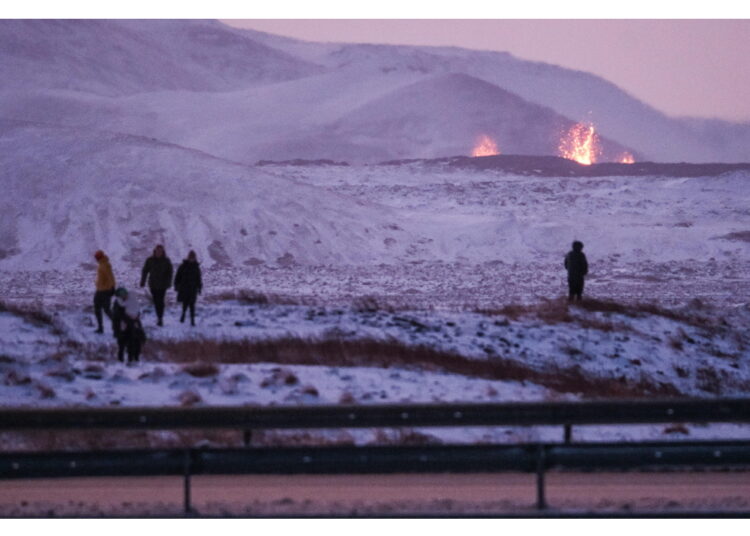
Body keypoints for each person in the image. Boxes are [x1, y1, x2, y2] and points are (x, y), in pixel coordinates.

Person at [140, 244, 173, 326]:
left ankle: (160, 318)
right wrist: (143, 281)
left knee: (160, 301)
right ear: (155, 251)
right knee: (156, 301)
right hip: (153, 285)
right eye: (157, 251)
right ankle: (159, 316)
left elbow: (170, 273)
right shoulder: (150, 260)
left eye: (160, 251)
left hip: (162, 285)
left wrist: (168, 283)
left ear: (162, 252)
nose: (159, 253)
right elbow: (145, 271)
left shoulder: (166, 261)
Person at [111, 287, 146, 365]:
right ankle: (122, 362)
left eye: (124, 294)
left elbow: (136, 311)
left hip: (131, 325)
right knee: (122, 345)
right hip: (123, 327)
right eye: (122, 295)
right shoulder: (118, 304)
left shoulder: (131, 300)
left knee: (134, 342)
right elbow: (118, 315)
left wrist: (134, 319)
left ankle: (134, 359)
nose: (124, 296)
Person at [174, 250, 203, 326]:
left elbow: (198, 279)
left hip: (193, 289)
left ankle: (192, 320)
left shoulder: (196, 268)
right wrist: (176, 286)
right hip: (184, 288)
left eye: (193, 258)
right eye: (190, 257)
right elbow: (177, 277)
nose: (191, 259)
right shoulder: (183, 266)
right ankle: (183, 314)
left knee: (192, 305)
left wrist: (199, 288)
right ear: (188, 257)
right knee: (185, 303)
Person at [93, 250, 116, 334]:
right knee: (99, 309)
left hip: (105, 291)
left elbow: (110, 276)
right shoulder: (102, 264)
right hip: (100, 290)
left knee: (105, 309)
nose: (96, 258)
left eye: (97, 256)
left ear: (100, 256)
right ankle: (100, 328)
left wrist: (112, 287)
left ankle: (117, 326)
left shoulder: (105, 265)